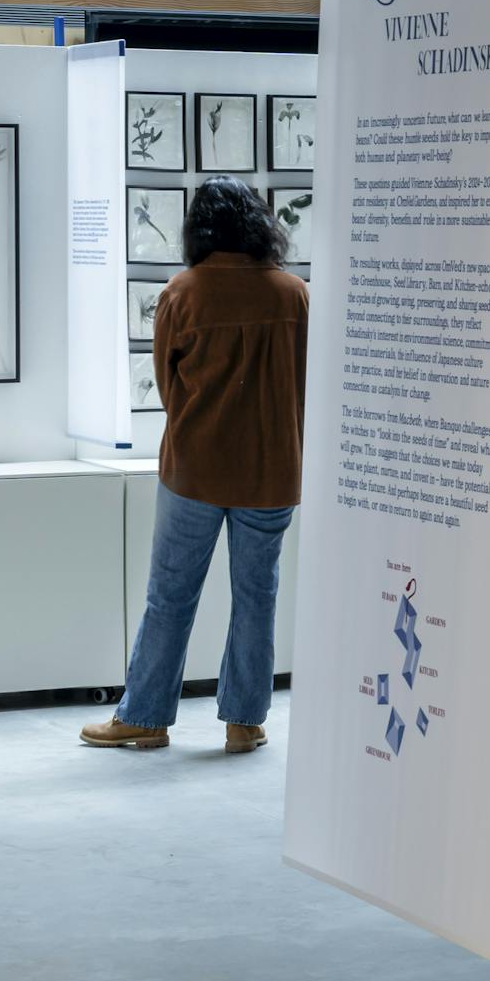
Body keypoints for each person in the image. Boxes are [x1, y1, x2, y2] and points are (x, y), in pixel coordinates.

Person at [84, 176, 307, 754]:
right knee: (258, 596)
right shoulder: (294, 294)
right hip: (272, 471)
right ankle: (244, 722)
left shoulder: (183, 292)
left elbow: (168, 384)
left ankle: (146, 717)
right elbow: (307, 385)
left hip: (195, 469)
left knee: (171, 595)